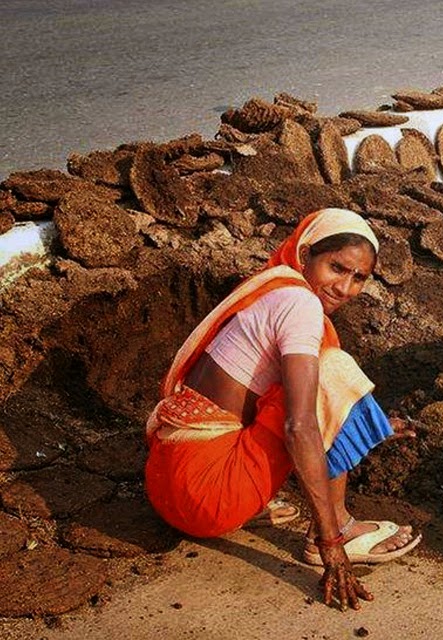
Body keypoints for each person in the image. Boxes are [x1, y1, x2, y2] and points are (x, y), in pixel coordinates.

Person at [145, 208, 420, 610]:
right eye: (337, 268)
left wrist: (367, 421)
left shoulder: (274, 290)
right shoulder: (300, 306)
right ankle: (338, 527)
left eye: (358, 278)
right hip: (208, 497)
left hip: (168, 486)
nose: (344, 288)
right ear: (305, 253)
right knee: (331, 373)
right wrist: (331, 548)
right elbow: (300, 426)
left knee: (316, 387)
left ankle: (254, 499)